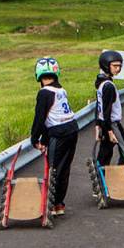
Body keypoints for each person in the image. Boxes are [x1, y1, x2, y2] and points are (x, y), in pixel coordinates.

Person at [29, 57, 78, 216]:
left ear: (38, 75)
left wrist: (35, 139)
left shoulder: (44, 92)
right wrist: (45, 139)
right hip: (72, 128)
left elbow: (40, 118)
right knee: (65, 169)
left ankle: (50, 204)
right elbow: (51, 115)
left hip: (59, 132)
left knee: (54, 169)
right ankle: (59, 204)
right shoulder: (61, 90)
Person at [96, 50, 124, 165]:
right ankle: (122, 175)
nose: (117, 69)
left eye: (119, 66)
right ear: (106, 65)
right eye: (115, 66)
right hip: (112, 124)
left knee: (106, 151)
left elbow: (99, 107)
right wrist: (110, 131)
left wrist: (98, 124)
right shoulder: (109, 86)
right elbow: (106, 111)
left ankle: (101, 173)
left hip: (105, 123)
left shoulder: (101, 82)